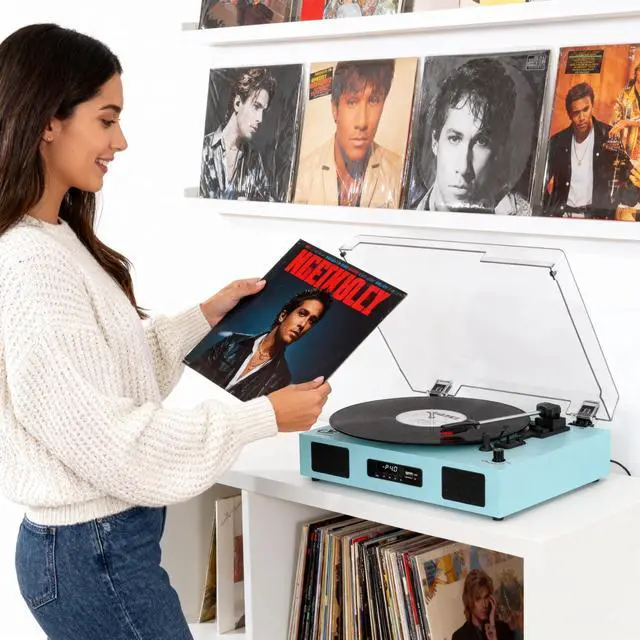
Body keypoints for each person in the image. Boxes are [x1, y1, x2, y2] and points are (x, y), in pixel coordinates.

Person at [0, 23, 330, 640]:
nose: (120, 141)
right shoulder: (29, 264)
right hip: (92, 553)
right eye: (106, 120)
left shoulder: (56, 237)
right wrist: (263, 418)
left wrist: (203, 317)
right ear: (48, 122)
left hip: (100, 545)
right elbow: (109, 442)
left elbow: (111, 377)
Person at [409, 57, 531, 216]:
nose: (463, 168)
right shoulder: (401, 214)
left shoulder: (522, 219)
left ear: (499, 151)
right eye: (454, 139)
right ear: (435, 142)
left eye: (481, 142)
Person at [187, 288, 332, 401]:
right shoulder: (232, 342)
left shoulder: (281, 378)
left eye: (312, 321)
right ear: (283, 315)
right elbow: (192, 374)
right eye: (302, 313)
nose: (303, 324)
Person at [294, 59, 402, 208]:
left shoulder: (398, 173)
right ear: (335, 109)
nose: (362, 123)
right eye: (352, 102)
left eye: (373, 100)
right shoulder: (303, 176)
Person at [543, 82, 618, 219]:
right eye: (576, 112)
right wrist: (550, 208)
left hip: (596, 220)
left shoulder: (608, 136)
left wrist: (608, 211)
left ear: (592, 106)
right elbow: (539, 181)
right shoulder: (558, 141)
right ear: (569, 115)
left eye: (586, 109)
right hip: (563, 217)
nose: (582, 117)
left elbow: (621, 179)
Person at [200, 67, 276, 201]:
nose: (260, 119)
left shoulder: (253, 160)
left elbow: (268, 204)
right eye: (256, 107)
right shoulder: (204, 149)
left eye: (263, 111)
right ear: (237, 103)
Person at [452, 570, 515, 640]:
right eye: (478, 599)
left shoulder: (503, 628)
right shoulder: (459, 637)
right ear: (469, 601)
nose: (484, 604)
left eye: (486, 597)